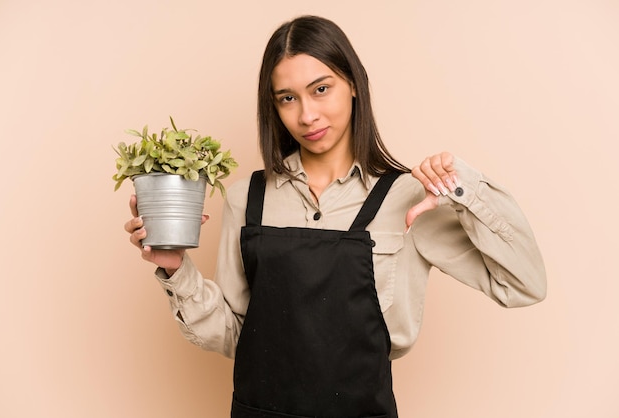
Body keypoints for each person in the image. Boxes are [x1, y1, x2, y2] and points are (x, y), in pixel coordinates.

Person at [124, 15, 546, 418]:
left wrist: (462, 187)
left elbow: (525, 284)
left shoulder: (408, 199)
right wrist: (176, 269)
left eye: (321, 89)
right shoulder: (245, 198)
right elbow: (236, 335)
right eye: (288, 98)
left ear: (354, 85)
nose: (306, 115)